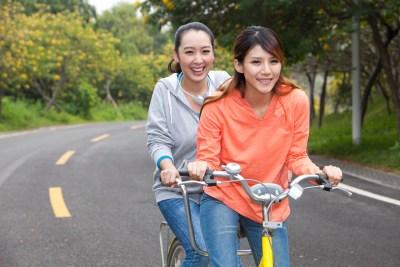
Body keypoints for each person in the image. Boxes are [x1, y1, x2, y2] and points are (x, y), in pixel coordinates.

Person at [187, 26, 343, 267]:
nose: (266, 71)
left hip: (268, 200)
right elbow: (208, 157)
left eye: (273, 61)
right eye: (256, 62)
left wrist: (320, 173)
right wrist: (201, 166)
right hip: (224, 196)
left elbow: (296, 155)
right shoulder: (217, 105)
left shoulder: (295, 100)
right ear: (239, 65)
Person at [146, 22, 230, 266]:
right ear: (176, 55)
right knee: (201, 251)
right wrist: (167, 167)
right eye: (189, 52)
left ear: (213, 54)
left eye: (205, 51)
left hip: (219, 188)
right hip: (177, 188)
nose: (198, 60)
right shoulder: (165, 89)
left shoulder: (224, 84)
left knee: (228, 254)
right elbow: (157, 138)